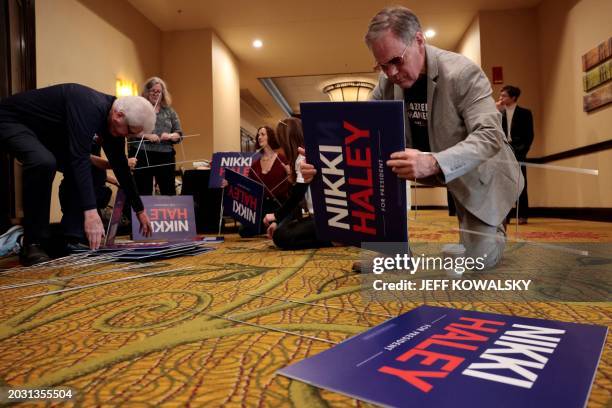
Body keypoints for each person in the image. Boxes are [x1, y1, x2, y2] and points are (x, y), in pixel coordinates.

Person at [302, 6, 523, 270]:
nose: (391, 73)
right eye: (382, 65)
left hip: (483, 172)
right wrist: (319, 163)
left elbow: (490, 136)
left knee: (476, 262)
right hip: (428, 164)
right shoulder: (386, 83)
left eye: (396, 61)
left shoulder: (462, 73)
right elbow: (360, 137)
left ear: (419, 40)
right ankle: (395, 254)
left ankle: (492, 235)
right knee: (374, 158)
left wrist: (434, 161)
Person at [0, 83, 153, 266]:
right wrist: (90, 212)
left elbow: (120, 166)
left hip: (44, 134)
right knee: (43, 161)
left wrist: (140, 210)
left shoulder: (113, 120)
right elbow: (78, 159)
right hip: (11, 120)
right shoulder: (88, 106)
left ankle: (71, 238)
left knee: (96, 171)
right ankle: (32, 243)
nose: (127, 137)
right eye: (128, 132)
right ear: (118, 115)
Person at [263, 118, 332, 250]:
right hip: (318, 218)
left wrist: (276, 216)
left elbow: (297, 195)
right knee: (282, 231)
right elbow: (295, 202)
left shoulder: (303, 159)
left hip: (324, 219)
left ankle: (333, 241)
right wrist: (278, 222)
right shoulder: (300, 159)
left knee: (281, 236)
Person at [129, 77, 183, 196]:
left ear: (163, 93)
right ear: (146, 92)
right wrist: (147, 135)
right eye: (152, 91)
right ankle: (142, 214)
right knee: (143, 190)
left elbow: (179, 134)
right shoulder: (138, 110)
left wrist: (170, 136)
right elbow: (129, 131)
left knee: (168, 190)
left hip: (165, 155)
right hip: (142, 154)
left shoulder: (170, 112)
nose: (155, 94)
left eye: (158, 91)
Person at [239, 125, 291, 237]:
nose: (259, 137)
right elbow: (249, 187)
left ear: (270, 137)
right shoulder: (255, 163)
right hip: (262, 205)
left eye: (263, 134)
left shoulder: (282, 159)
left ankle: (273, 225)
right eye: (258, 135)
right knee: (243, 230)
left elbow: (292, 184)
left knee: (281, 229)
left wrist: (289, 173)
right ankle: (266, 226)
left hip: (280, 204)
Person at [497, 85, 534, 225]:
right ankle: (504, 216)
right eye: (500, 96)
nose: (500, 98)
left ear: (513, 97)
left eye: (504, 96)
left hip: (519, 152)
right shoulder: (498, 113)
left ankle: (522, 214)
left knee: (520, 184)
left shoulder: (525, 113)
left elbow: (529, 135)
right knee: (503, 185)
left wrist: (522, 152)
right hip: (502, 151)